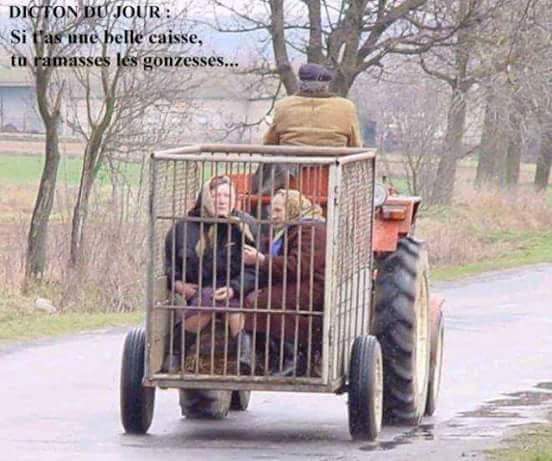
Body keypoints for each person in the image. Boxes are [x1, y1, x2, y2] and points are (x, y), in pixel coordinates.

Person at [164, 175, 258, 372]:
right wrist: (178, 284)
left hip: (235, 289)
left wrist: (234, 288)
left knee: (234, 311)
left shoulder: (246, 226)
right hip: (200, 289)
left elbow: (255, 269)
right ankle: (176, 353)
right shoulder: (183, 227)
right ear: (205, 197)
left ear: (234, 199)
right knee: (206, 303)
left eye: (227, 195)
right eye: (216, 195)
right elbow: (171, 263)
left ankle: (245, 358)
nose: (222, 200)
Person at [242, 189, 326, 376]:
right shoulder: (291, 228)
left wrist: (261, 260)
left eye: (279, 210)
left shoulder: (312, 230)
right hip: (294, 282)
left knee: (266, 301)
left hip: (312, 286)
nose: (273, 215)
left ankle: (292, 358)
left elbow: (298, 265)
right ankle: (261, 356)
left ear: (293, 209)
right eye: (271, 210)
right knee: (253, 298)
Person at [251, 62, 363, 195]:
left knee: (264, 177)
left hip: (287, 175)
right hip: (333, 174)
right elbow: (355, 145)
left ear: (300, 83)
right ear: (325, 85)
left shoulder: (284, 105)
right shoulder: (346, 107)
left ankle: (258, 202)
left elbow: (270, 142)